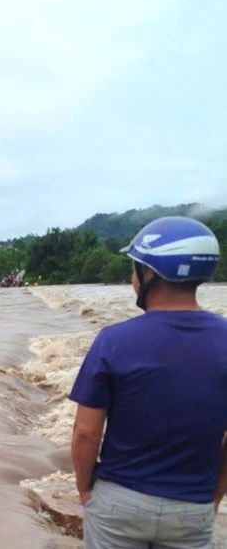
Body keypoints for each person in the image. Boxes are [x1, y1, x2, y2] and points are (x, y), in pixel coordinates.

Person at [69, 216, 227, 548]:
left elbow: (85, 432)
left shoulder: (112, 341)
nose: (132, 279)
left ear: (151, 274)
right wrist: (212, 497)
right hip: (191, 507)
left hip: (118, 504)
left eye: (134, 269)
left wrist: (84, 488)